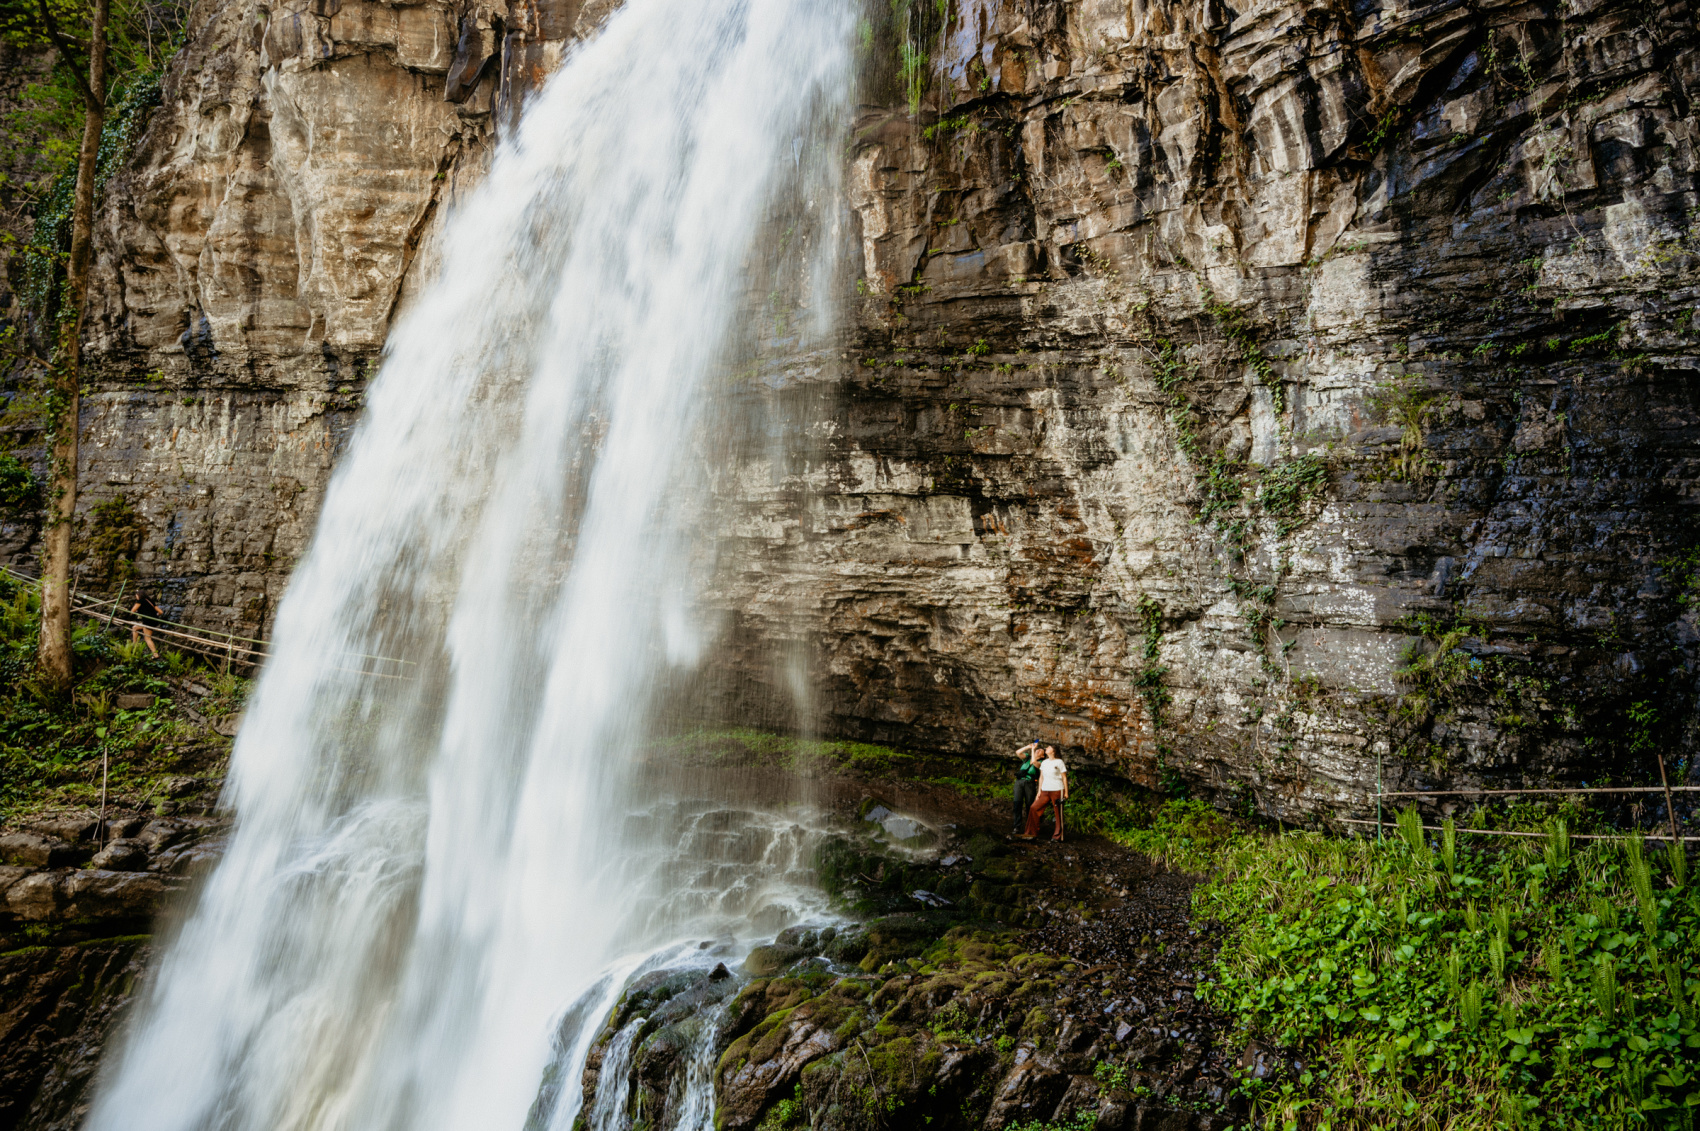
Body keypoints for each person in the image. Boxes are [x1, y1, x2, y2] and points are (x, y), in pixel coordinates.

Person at [1021, 745, 1069, 842]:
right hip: (1045, 790)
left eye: (1049, 747)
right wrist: (1039, 791)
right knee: (1034, 808)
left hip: (1057, 789)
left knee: (1058, 813)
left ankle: (1057, 837)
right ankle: (1031, 833)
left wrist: (1066, 792)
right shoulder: (1045, 762)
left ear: (1053, 751)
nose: (1046, 748)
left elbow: (1064, 777)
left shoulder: (1059, 762)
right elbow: (1041, 777)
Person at [1011, 740, 1041, 834]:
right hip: (1019, 782)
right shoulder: (1027, 758)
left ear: (1043, 756)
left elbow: (1034, 761)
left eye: (1040, 751)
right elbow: (1018, 752)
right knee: (1017, 804)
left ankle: (1029, 827)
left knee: (1029, 805)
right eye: (1037, 750)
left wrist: (1033, 749)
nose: (1037, 751)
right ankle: (1017, 826)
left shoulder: (1041, 762)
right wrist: (1028, 747)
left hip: (1030, 783)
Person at [129, 591, 161, 658]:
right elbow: (160, 612)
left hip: (148, 622)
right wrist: (155, 615)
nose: (136, 597)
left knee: (147, 638)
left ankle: (155, 654)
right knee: (135, 628)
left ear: (139, 595)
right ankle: (135, 645)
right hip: (154, 621)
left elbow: (132, 611)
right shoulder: (150, 601)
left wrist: (130, 613)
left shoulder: (140, 601)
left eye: (136, 596)